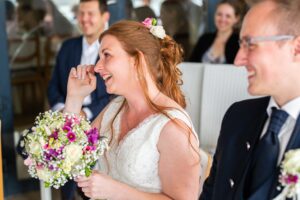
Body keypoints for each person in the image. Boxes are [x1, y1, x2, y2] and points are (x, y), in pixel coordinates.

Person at [64, 19, 201, 199]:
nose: (97, 67)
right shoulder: (115, 108)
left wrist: (115, 191)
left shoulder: (172, 127)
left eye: (107, 55)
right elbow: (71, 156)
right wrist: (74, 99)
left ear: (137, 60)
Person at [200, 0, 300, 199]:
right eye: (240, 44)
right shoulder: (238, 117)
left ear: (296, 48)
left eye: (250, 44)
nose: (238, 60)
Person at [47, 0, 111, 199]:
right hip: (65, 113)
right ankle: (66, 196)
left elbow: (114, 95)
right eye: (81, 13)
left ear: (104, 16)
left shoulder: (110, 50)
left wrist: (85, 113)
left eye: (90, 13)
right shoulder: (68, 47)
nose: (84, 19)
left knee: (71, 147)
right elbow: (54, 86)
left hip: (98, 118)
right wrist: (63, 109)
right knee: (28, 145)